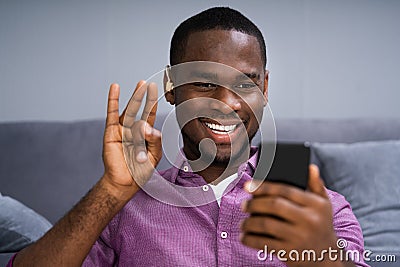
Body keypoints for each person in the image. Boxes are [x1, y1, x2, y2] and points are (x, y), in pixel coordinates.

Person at [11, 7, 368, 267]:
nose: (227, 104)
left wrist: (324, 258)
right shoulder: (123, 210)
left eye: (246, 83)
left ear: (265, 87)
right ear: (171, 86)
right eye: (206, 83)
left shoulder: (323, 211)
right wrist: (112, 190)